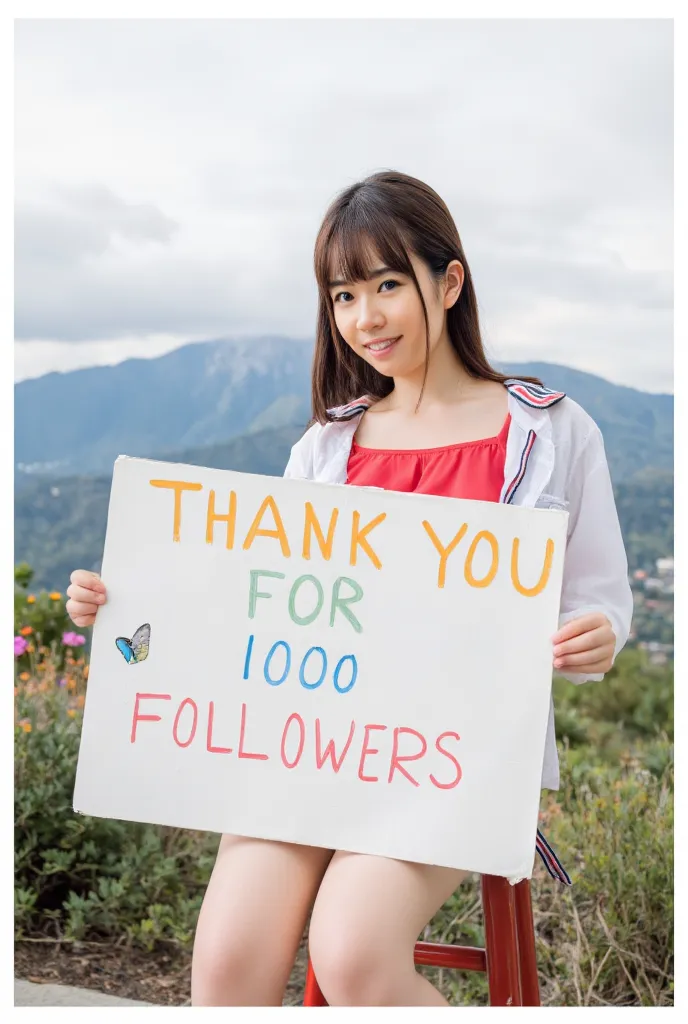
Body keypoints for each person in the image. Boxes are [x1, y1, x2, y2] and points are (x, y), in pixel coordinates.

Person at [66, 170, 634, 1007]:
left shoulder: (548, 431)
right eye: (342, 295)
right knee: (226, 960)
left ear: (449, 282)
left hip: (455, 761)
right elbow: (250, 595)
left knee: (353, 951)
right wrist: (128, 598)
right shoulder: (326, 449)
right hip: (309, 743)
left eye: (388, 285)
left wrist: (599, 636)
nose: (364, 318)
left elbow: (601, 599)